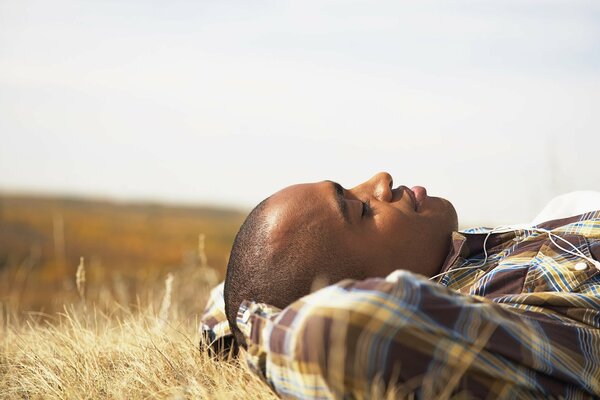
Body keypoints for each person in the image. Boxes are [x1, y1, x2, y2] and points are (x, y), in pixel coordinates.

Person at [201, 172, 600, 399]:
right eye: (361, 209)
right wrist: (254, 327)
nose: (380, 181)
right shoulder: (497, 320)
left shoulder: (459, 255)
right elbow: (342, 331)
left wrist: (233, 317)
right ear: (363, 286)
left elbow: (231, 292)